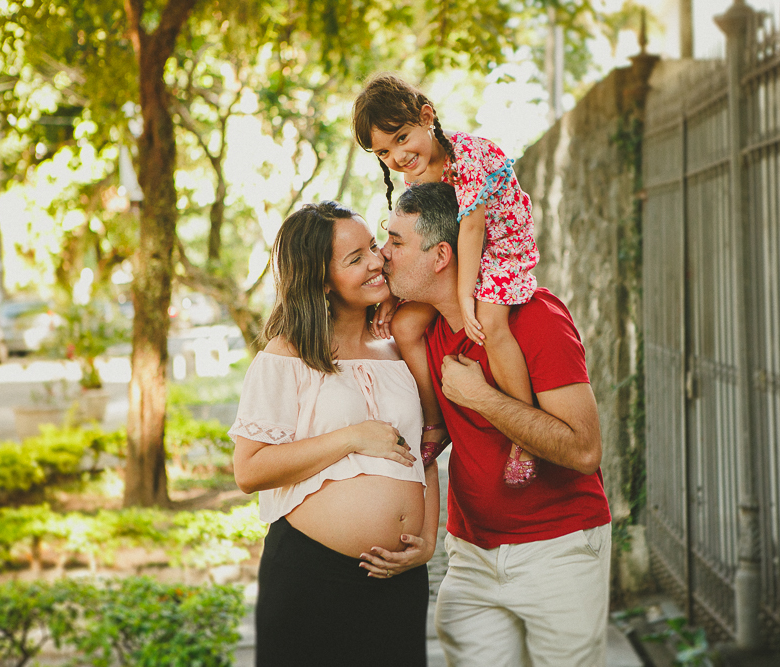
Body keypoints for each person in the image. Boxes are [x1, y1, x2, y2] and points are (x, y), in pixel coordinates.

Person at [377, 181, 613, 666]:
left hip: (559, 553)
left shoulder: (535, 316)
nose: (384, 254)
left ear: (442, 255)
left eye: (396, 242)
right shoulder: (427, 327)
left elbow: (584, 450)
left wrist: (482, 397)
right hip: (471, 556)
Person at [229, 201, 439, 666]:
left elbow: (421, 446)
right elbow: (249, 470)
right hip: (311, 575)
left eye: (373, 247)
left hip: (399, 578)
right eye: (355, 258)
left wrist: (427, 536)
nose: (376, 261)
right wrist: (351, 437)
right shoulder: (286, 356)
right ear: (321, 280)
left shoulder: (397, 350)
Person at [352, 72, 541, 487]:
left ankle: (523, 437)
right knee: (403, 325)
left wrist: (466, 296)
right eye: (384, 152)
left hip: (502, 245)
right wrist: (394, 296)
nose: (397, 157)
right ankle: (435, 422)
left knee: (491, 323)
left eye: (401, 138)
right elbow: (426, 240)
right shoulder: (415, 174)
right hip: (465, 255)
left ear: (426, 117)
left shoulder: (468, 155)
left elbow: (472, 230)